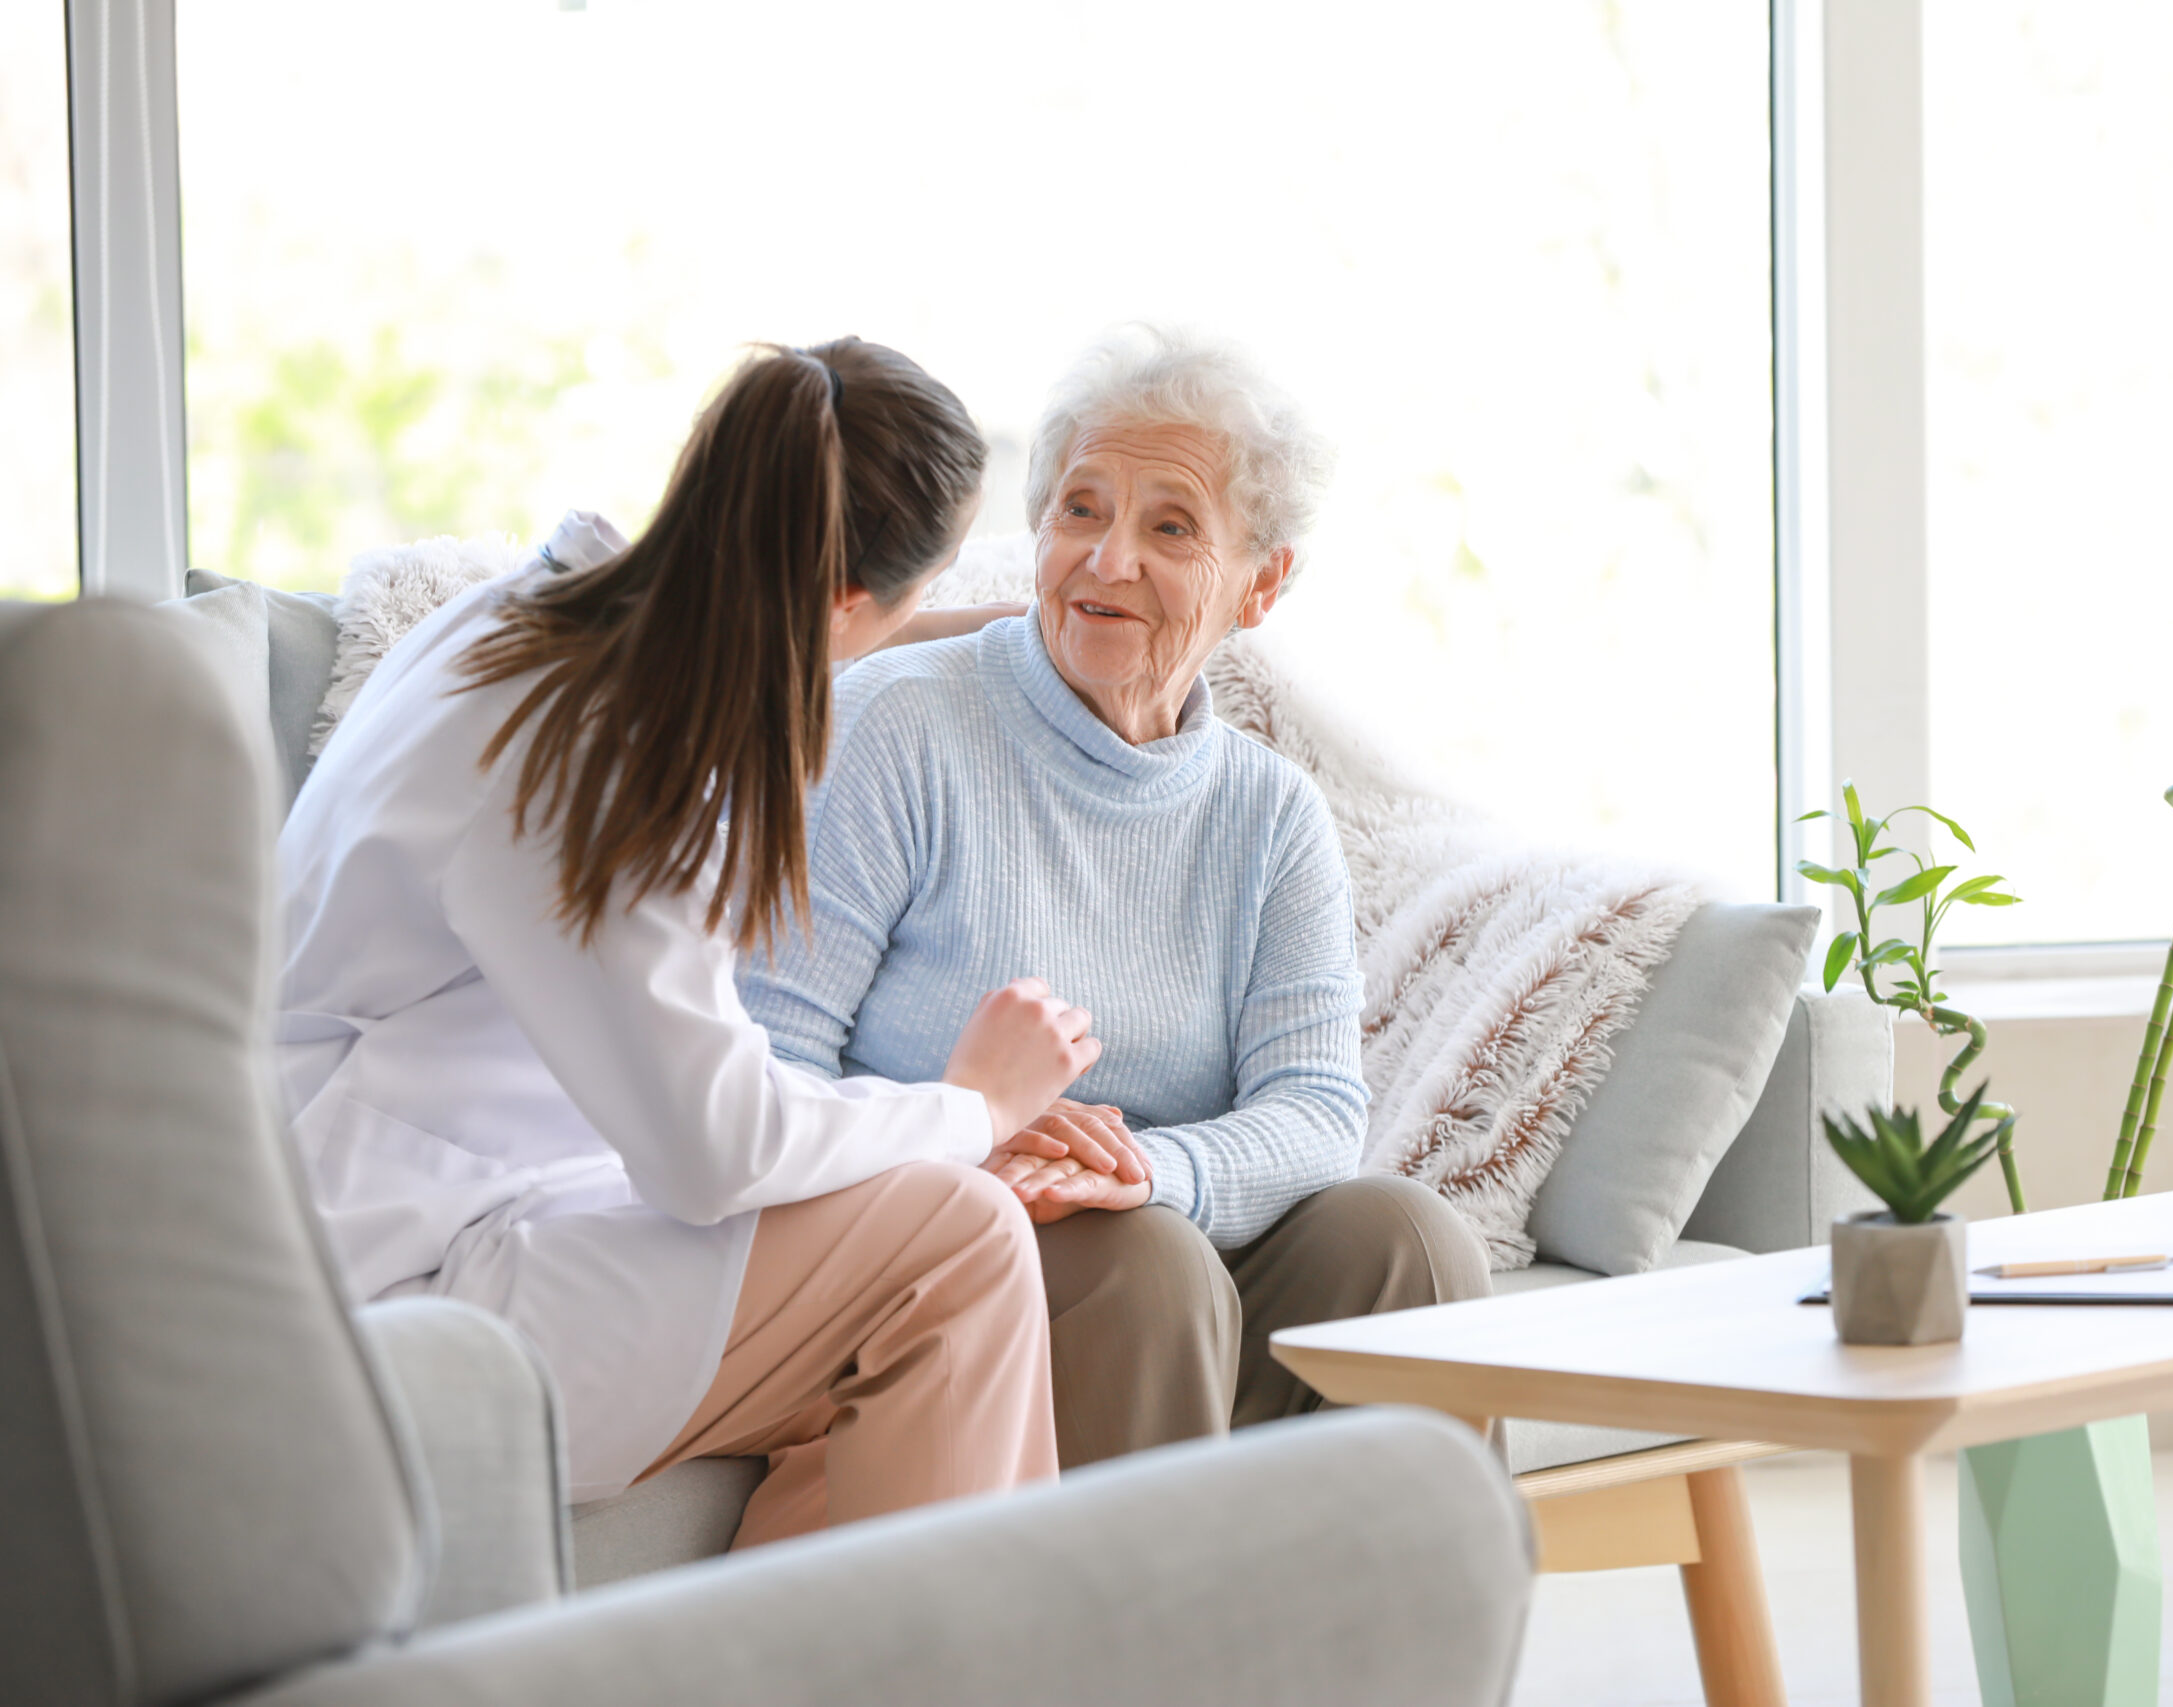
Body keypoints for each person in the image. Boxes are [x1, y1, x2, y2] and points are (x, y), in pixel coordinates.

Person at [275, 338, 1107, 1546]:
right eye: (906, 606)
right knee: (954, 1242)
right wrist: (973, 1105)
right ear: (844, 602)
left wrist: (967, 635)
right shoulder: (601, 763)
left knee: (894, 1256)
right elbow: (714, 1154)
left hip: (413, 1203)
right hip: (393, 1291)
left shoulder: (518, 622)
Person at [739, 326, 1490, 1471]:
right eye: (1080, 510)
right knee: (1142, 1264)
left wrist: (1146, 1174)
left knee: (1408, 1242)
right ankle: (1137, 1637)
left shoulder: (1269, 814)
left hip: (1157, 1245)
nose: (1107, 561)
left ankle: (1389, 1635)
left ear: (1263, 583)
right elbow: (767, 1064)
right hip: (937, 1245)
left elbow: (1318, 1115)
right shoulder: (898, 728)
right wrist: (966, 1142)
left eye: (1171, 527)